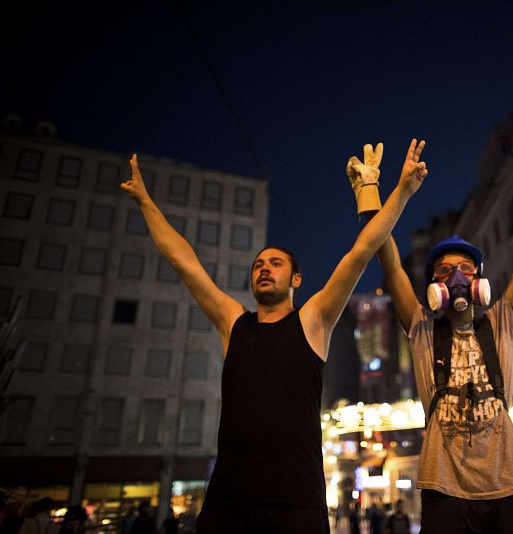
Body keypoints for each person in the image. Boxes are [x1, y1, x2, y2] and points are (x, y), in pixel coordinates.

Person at [121, 139, 427, 534]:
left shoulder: (314, 319)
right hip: (228, 502)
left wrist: (400, 192)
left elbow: (362, 252)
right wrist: (146, 202)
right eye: (258, 265)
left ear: (296, 279)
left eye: (275, 263)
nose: (264, 269)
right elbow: (185, 262)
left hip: (296, 503)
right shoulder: (234, 322)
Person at [348, 141, 513, 533]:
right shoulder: (421, 329)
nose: (459, 278)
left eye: (466, 268)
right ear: (434, 287)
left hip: (508, 485)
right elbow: (389, 259)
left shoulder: (501, 320)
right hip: (443, 489)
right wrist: (370, 190)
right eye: (446, 272)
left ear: (480, 281)